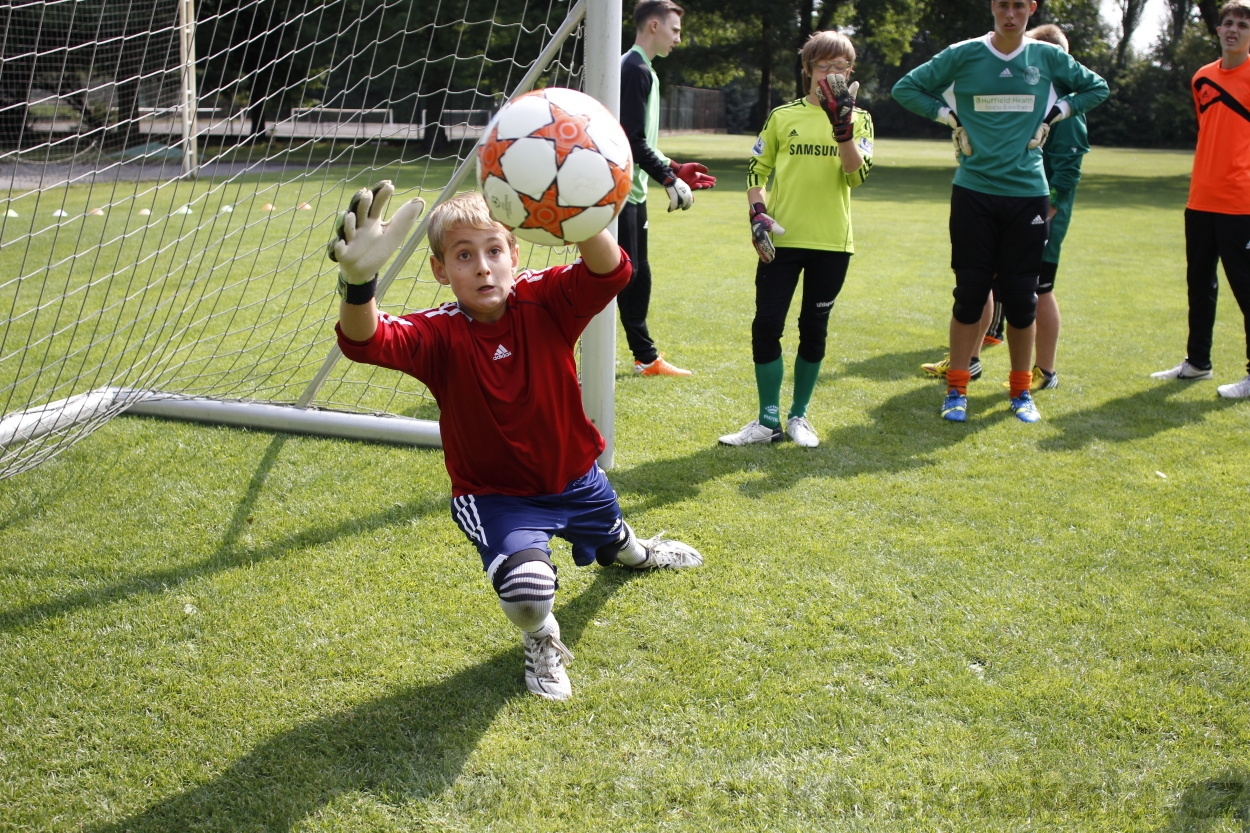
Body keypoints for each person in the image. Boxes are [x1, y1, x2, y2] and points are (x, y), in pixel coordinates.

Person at [330, 183, 703, 702]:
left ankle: (638, 553)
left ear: (514, 254)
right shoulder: (439, 333)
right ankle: (542, 636)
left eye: (493, 250)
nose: (482, 267)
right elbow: (365, 340)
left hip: (576, 478)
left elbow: (611, 269)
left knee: (616, 540)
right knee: (528, 594)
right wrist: (358, 281)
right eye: (464, 255)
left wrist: (579, 214)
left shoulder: (544, 299)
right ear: (441, 270)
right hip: (497, 498)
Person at [892, 0, 1108, 423]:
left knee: (1023, 299)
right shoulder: (964, 53)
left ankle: (1020, 392)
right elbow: (906, 88)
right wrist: (949, 117)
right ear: (993, 7)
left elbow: (1097, 88)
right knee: (970, 294)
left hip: (1027, 194)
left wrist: (1056, 113)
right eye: (1002, 5)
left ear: (1031, 7)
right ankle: (956, 390)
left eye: (1018, 5)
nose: (1010, 14)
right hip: (974, 192)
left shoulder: (1047, 56)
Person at [719, 30, 873, 448]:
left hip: (832, 242)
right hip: (781, 239)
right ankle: (767, 420)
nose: (832, 74)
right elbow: (756, 170)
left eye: (841, 67)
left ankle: (798, 417)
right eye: (824, 66)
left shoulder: (859, 119)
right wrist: (757, 211)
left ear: (850, 72)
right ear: (808, 70)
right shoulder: (782, 116)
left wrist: (841, 129)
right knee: (767, 325)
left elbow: (856, 176)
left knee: (813, 328)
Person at [1151, 0, 1250, 398]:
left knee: (1245, 289)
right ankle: (1197, 363)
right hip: (1201, 199)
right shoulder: (1202, 78)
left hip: (1241, 202)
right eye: (1227, 22)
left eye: (1243, 24)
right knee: (1200, 284)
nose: (1233, 29)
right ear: (1218, 29)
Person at [618, 0, 716, 377]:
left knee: (638, 275)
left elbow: (643, 140)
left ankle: (646, 358)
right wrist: (668, 178)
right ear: (654, 25)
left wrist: (675, 168)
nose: (679, 38)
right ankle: (571, 355)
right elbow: (629, 139)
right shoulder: (634, 68)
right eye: (675, 30)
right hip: (619, 194)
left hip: (634, 194)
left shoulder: (645, 69)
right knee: (618, 277)